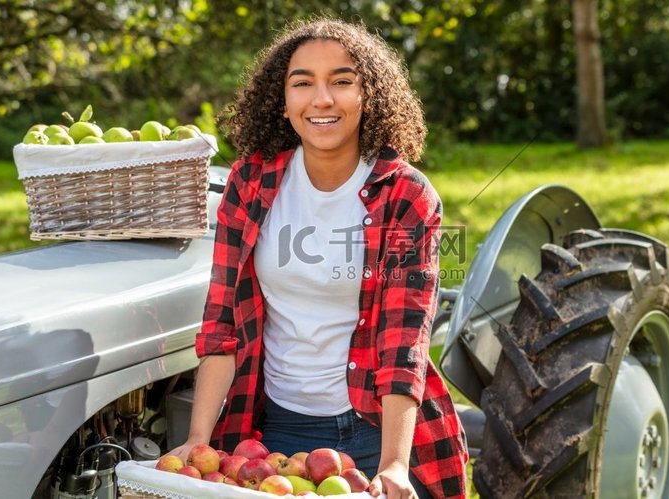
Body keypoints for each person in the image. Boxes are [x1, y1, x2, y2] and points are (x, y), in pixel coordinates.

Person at [167, 17, 468, 498]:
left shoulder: (406, 195)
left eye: (342, 82)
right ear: (282, 101)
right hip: (274, 432)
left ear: (369, 95)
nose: (321, 99)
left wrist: (393, 464)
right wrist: (198, 442)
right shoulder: (250, 183)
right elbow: (222, 323)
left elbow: (403, 343)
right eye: (302, 83)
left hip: (376, 429)